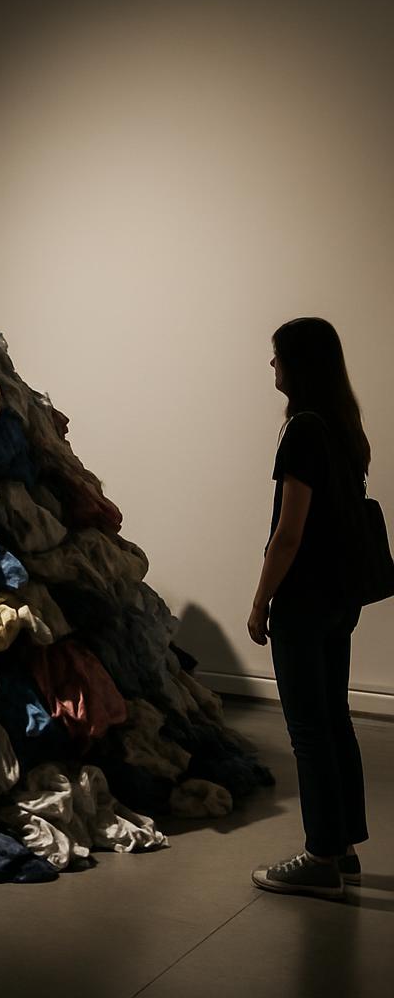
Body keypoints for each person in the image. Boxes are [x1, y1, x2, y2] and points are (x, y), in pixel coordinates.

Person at [248, 317, 370, 899]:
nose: (271, 367)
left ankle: (321, 855)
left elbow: (288, 534)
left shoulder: (301, 430)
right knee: (334, 717)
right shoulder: (344, 428)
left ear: (297, 364)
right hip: (340, 598)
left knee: (307, 729)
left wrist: (259, 601)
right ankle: (343, 847)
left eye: (276, 358)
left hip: (303, 601)